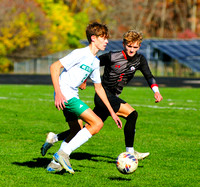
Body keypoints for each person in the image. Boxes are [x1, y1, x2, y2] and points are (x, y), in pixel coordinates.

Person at [42, 29, 163, 173]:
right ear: (124, 44)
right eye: (129, 46)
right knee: (131, 115)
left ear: (139, 47)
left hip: (109, 97)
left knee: (81, 128)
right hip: (103, 95)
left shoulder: (139, 60)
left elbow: (148, 75)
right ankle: (130, 153)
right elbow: (90, 64)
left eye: (135, 47)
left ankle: (54, 145)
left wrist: (156, 91)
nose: (131, 50)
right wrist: (83, 80)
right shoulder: (111, 56)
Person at [45, 22, 122, 174]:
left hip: (71, 94)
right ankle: (62, 154)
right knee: (97, 123)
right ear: (93, 38)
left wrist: (112, 112)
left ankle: (54, 164)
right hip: (66, 95)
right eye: (103, 38)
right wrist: (58, 93)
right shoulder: (80, 53)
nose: (106, 41)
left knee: (75, 130)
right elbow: (54, 67)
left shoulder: (95, 61)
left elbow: (99, 88)